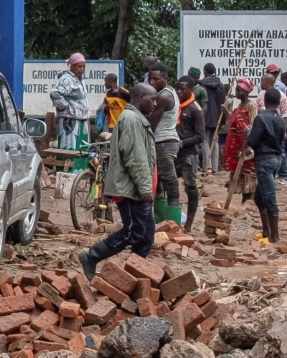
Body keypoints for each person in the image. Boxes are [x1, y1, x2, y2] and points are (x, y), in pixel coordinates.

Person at [80, 86, 158, 277]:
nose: (155, 104)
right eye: (152, 99)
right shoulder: (131, 120)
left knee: (146, 235)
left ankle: (134, 275)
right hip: (131, 188)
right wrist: (145, 187)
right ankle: (92, 256)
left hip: (136, 187)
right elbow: (135, 158)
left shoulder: (136, 119)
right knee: (134, 232)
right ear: (140, 97)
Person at [248, 86, 287, 246]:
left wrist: (248, 134)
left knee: (269, 197)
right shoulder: (280, 119)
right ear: (279, 103)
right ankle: (267, 231)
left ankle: (275, 237)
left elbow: (253, 141)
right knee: (259, 197)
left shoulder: (261, 118)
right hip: (276, 159)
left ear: (264, 101)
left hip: (264, 159)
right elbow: (283, 139)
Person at [175, 74, 205, 232]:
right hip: (173, 153)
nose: (179, 91)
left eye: (183, 89)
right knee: (168, 183)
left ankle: (189, 224)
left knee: (190, 187)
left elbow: (200, 136)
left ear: (191, 90)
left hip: (189, 153)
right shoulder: (174, 106)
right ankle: (171, 218)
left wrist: (182, 143)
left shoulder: (195, 109)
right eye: (177, 88)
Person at [148, 72, 180, 212]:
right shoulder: (169, 92)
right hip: (166, 140)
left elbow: (152, 124)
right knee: (159, 179)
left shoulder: (164, 96)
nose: (152, 82)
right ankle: (161, 219)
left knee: (169, 179)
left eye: (156, 79)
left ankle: (174, 220)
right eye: (150, 78)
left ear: (165, 78)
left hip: (163, 141)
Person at [52, 52, 92, 150]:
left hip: (81, 118)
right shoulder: (67, 79)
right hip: (69, 120)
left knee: (81, 147)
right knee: (70, 147)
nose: (82, 69)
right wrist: (66, 107)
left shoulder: (80, 79)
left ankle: (80, 166)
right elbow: (54, 93)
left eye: (83, 66)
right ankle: (67, 165)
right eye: (79, 66)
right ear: (73, 67)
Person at [221, 77, 256, 173]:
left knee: (245, 167)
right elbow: (234, 120)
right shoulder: (239, 106)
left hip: (244, 142)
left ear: (246, 92)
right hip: (234, 142)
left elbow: (253, 123)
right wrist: (226, 112)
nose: (236, 92)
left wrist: (246, 133)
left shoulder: (251, 106)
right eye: (236, 90)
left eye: (239, 90)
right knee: (235, 166)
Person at [198, 63, 226, 137]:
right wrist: (223, 119)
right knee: (214, 139)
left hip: (205, 117)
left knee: (204, 139)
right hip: (217, 116)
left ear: (204, 71)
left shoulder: (201, 85)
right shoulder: (220, 85)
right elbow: (223, 102)